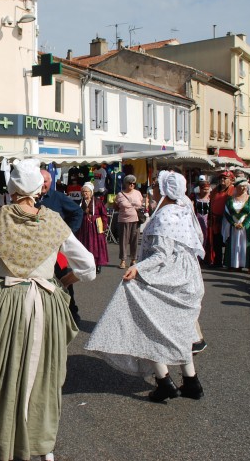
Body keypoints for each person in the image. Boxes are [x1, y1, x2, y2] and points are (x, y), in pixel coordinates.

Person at [0, 159, 96, 461]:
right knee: (41, 374)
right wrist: (63, 280)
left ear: (11, 189)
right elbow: (88, 267)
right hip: (45, 304)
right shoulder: (54, 222)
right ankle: (41, 444)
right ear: (39, 189)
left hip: (3, 303)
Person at [86, 171, 205, 403]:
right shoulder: (184, 209)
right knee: (177, 329)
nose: (153, 190)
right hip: (187, 276)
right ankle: (191, 381)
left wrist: (138, 269)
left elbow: (161, 253)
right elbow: (195, 240)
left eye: (156, 187)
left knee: (146, 320)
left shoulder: (166, 216)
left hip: (169, 275)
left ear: (165, 190)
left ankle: (165, 382)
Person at [36, 169, 84, 325]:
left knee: (64, 281)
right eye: (40, 180)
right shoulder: (32, 198)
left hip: (56, 250)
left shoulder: (59, 197)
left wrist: (67, 233)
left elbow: (78, 212)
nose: (43, 184)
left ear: (51, 181)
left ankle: (72, 313)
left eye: (46, 181)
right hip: (36, 250)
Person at [222, 177, 250, 274]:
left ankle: (249, 265)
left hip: (245, 227)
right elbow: (227, 213)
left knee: (246, 245)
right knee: (233, 244)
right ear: (236, 187)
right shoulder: (230, 200)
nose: (243, 189)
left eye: (245, 187)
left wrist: (244, 224)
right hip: (233, 226)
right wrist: (233, 223)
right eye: (241, 187)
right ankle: (234, 264)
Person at [76, 182, 109, 274]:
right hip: (84, 228)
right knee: (84, 246)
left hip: (95, 227)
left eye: (86, 191)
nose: (85, 193)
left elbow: (104, 215)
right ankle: (86, 265)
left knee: (96, 246)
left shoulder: (98, 202)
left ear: (91, 192)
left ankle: (97, 264)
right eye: (83, 192)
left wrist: (104, 226)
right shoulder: (80, 202)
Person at [115, 174, 144, 269]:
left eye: (133, 183)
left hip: (136, 220)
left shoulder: (138, 193)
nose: (132, 185)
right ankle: (123, 260)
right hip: (123, 220)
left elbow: (141, 204)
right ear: (125, 184)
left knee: (134, 240)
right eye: (130, 183)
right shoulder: (120, 194)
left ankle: (133, 259)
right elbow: (116, 207)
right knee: (123, 241)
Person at [208, 171, 234, 267]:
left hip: (227, 220)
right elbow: (211, 204)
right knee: (216, 241)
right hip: (216, 219)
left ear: (230, 180)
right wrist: (209, 218)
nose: (222, 180)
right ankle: (217, 261)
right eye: (221, 178)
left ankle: (228, 262)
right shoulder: (215, 190)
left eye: (225, 178)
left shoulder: (233, 190)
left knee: (228, 241)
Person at [192, 176, 211, 259]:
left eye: (207, 189)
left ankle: (206, 257)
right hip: (197, 219)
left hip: (207, 220)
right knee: (198, 237)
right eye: (204, 189)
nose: (206, 191)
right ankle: (198, 255)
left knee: (207, 237)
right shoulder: (195, 197)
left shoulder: (210, 198)